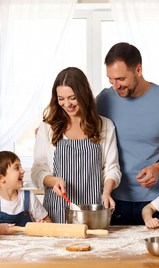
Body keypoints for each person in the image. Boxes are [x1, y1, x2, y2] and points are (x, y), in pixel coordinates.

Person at [96, 42, 159, 225]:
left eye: (121, 79)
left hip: (157, 202)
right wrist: (52, 127)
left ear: (138, 70)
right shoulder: (103, 100)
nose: (115, 86)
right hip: (113, 200)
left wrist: (158, 168)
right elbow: (78, 126)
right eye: (110, 79)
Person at [31, 67, 121, 223]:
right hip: (56, 212)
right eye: (61, 99)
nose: (67, 104)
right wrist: (54, 181)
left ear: (83, 94)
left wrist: (106, 192)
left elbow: (111, 168)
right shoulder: (47, 128)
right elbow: (38, 170)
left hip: (92, 212)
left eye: (72, 98)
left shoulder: (104, 125)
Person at [0, 151, 52, 235]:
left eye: (21, 166)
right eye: (16, 168)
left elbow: (47, 221)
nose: (22, 171)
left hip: (26, 245)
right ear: (0, 178)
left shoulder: (29, 197)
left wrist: (42, 225)